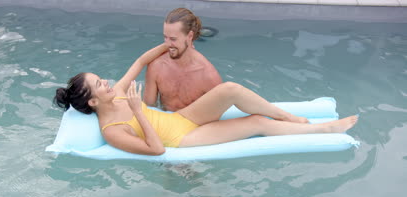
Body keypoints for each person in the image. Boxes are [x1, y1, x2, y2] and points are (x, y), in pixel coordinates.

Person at [53, 43, 358, 156]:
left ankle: (288, 117)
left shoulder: (116, 94)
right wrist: (138, 110)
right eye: (98, 84)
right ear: (93, 102)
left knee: (231, 90)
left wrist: (171, 44)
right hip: (184, 137)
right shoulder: (112, 130)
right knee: (255, 123)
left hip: (180, 118)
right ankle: (325, 129)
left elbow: (139, 61)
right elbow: (156, 150)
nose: (106, 82)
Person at [143, 8, 222, 111]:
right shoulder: (156, 66)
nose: (167, 44)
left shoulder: (209, 76)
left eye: (173, 39)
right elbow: (148, 109)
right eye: (165, 37)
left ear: (189, 36)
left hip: (194, 124)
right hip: (164, 122)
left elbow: (218, 118)